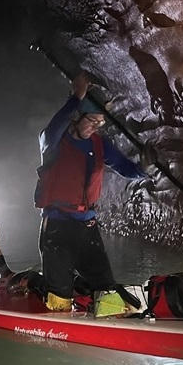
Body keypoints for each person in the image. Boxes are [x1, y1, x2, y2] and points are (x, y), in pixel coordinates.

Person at [34, 72, 150, 311]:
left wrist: (145, 168)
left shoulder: (99, 144)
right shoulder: (52, 141)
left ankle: (107, 312)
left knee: (105, 285)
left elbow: (126, 168)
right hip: (58, 226)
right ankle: (48, 296)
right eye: (91, 120)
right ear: (76, 117)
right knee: (59, 294)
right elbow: (55, 125)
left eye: (100, 122)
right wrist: (77, 96)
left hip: (87, 226)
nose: (95, 126)